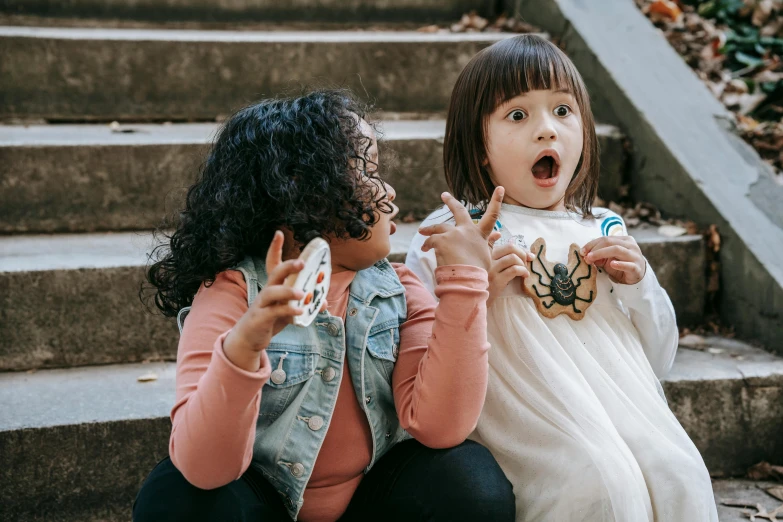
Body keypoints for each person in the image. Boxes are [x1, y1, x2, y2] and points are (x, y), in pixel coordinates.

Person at [133, 89, 515, 522]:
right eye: (368, 170)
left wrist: (465, 285)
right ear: (307, 190)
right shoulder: (231, 293)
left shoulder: (401, 289)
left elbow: (442, 427)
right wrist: (244, 346)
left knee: (468, 480)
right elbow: (204, 468)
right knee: (177, 497)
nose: (389, 190)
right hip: (264, 504)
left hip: (372, 504)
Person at [406, 35, 719, 521]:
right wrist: (472, 289)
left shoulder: (604, 228)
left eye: (563, 111)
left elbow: (659, 357)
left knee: (680, 471)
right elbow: (420, 362)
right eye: (518, 115)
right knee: (598, 482)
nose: (546, 130)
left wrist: (639, 285)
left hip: (624, 413)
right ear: (479, 146)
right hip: (531, 426)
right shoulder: (456, 232)